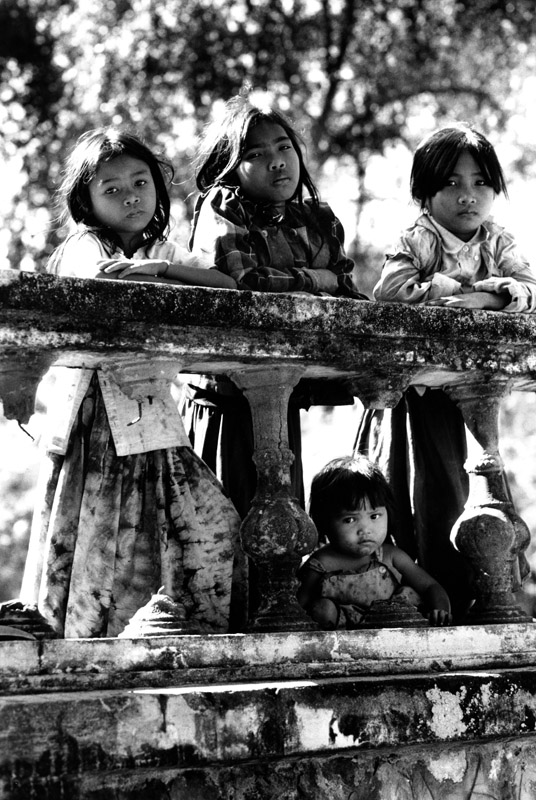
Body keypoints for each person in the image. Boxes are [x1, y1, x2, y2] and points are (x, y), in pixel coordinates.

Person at [20, 128, 245, 638]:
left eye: (140, 182)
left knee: (210, 522)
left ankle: (176, 633)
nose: (131, 196)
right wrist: (158, 278)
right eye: (112, 189)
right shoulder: (82, 245)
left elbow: (226, 285)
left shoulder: (162, 248)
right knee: (96, 537)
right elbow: (104, 283)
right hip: (90, 414)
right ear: (87, 202)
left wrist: (161, 266)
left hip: (147, 410)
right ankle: (91, 645)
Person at [356, 122, 536, 620]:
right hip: (418, 395)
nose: (467, 195)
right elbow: (390, 292)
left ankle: (482, 596)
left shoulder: (497, 240)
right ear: (424, 192)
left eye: (480, 182)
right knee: (421, 493)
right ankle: (424, 598)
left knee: (481, 489)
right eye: (451, 183)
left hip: (475, 396)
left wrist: (488, 295)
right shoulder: (418, 239)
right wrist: (468, 295)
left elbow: (528, 289)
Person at [182, 91, 368, 520]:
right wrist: (314, 280)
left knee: (284, 510)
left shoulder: (316, 216)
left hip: (287, 388)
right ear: (230, 167)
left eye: (284, 147)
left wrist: (326, 284)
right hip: (227, 398)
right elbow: (245, 282)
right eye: (256, 154)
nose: (277, 161)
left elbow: (344, 283)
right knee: (232, 521)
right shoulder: (223, 205)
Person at [297, 456, 452, 629]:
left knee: (410, 596)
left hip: (394, 630)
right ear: (324, 522)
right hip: (343, 639)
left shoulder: (390, 555)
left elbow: (430, 586)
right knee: (321, 609)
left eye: (374, 516)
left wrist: (441, 610)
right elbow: (298, 607)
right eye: (349, 520)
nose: (366, 530)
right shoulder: (321, 563)